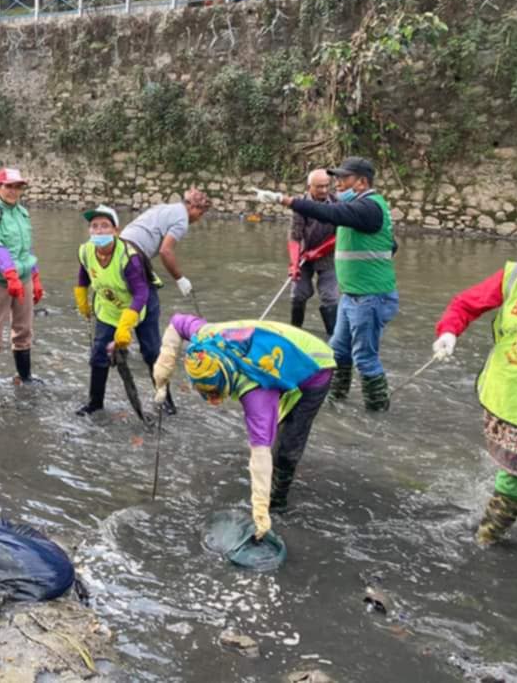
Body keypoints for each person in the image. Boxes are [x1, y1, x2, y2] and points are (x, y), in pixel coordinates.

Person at [152, 314, 335, 539]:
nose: (214, 401)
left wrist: (260, 512)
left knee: (287, 448)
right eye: (205, 394)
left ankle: (277, 503)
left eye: (216, 393)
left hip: (315, 365)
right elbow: (177, 323)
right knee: (272, 427)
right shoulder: (206, 341)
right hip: (276, 344)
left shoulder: (256, 392)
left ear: (228, 377)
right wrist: (163, 370)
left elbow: (260, 455)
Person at [432, 233, 517, 546]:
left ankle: (484, 539)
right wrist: (448, 332)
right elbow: (465, 304)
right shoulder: (513, 277)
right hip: (505, 397)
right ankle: (481, 544)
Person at [278, 156, 397, 411]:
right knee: (337, 351)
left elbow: (330, 211)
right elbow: (391, 245)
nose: (337, 183)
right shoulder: (358, 208)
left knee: (364, 358)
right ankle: (335, 401)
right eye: (337, 178)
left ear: (362, 182)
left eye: (344, 178)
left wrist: (291, 202)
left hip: (370, 297)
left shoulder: (368, 208)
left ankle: (376, 412)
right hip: (353, 295)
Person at [73, 205, 170, 416]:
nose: (99, 231)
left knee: (151, 352)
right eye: (94, 226)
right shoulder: (86, 250)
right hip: (109, 306)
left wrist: (126, 326)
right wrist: (82, 298)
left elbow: (141, 293)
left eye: (105, 226)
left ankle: (166, 399)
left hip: (141, 305)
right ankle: (95, 403)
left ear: (116, 231)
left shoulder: (129, 256)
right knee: (99, 353)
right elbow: (84, 277)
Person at [120, 189, 210, 363]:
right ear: (192, 206)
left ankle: (120, 345)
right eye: (201, 212)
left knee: (128, 300)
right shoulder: (182, 220)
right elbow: (165, 251)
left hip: (120, 248)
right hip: (135, 255)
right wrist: (180, 279)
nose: (200, 217)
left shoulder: (165, 208)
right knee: (150, 305)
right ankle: (153, 356)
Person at [0, 167, 43, 390]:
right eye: (9, 186)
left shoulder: (22, 212)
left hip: (22, 278)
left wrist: (35, 276)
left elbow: (28, 247)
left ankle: (25, 377)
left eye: (18, 187)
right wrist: (10, 275)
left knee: (24, 330)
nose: (13, 191)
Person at [288, 168, 339, 337]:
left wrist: (319, 251)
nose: (324, 190)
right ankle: (295, 333)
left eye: (326, 186)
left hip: (329, 256)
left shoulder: (338, 204)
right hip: (304, 256)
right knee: (298, 294)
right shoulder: (300, 205)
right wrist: (294, 265)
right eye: (319, 187)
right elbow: (294, 237)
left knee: (330, 296)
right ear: (310, 186)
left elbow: (342, 236)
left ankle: (334, 338)